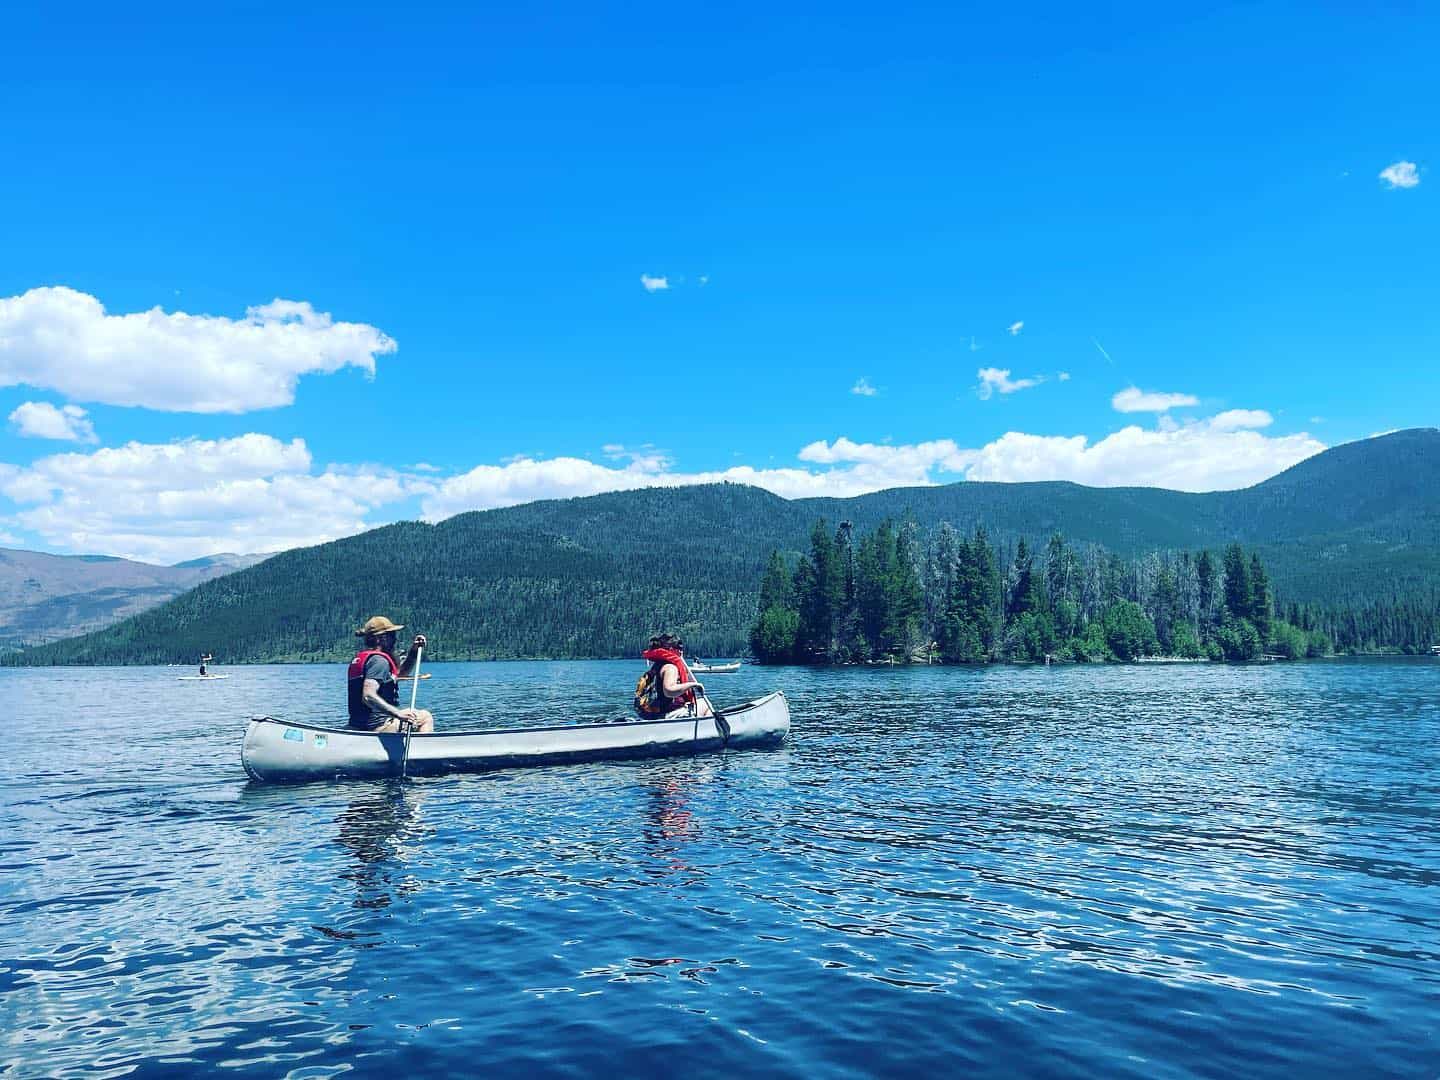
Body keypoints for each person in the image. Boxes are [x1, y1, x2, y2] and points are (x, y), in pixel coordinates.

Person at [348, 616, 435, 733]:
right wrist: (398, 714)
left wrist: (414, 651)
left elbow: (400, 673)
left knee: (412, 713)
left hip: (358, 724)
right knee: (425, 716)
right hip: (378, 726)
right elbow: (368, 696)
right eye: (392, 636)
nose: (395, 639)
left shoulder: (365, 659)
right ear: (380, 639)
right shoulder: (379, 661)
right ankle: (421, 749)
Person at [635, 633, 713, 719]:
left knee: (699, 703)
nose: (681, 651)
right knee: (705, 704)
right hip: (667, 715)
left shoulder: (657, 666)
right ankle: (708, 729)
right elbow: (669, 691)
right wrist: (692, 685)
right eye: (680, 648)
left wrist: (681, 660)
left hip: (654, 714)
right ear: (672, 649)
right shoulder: (670, 668)